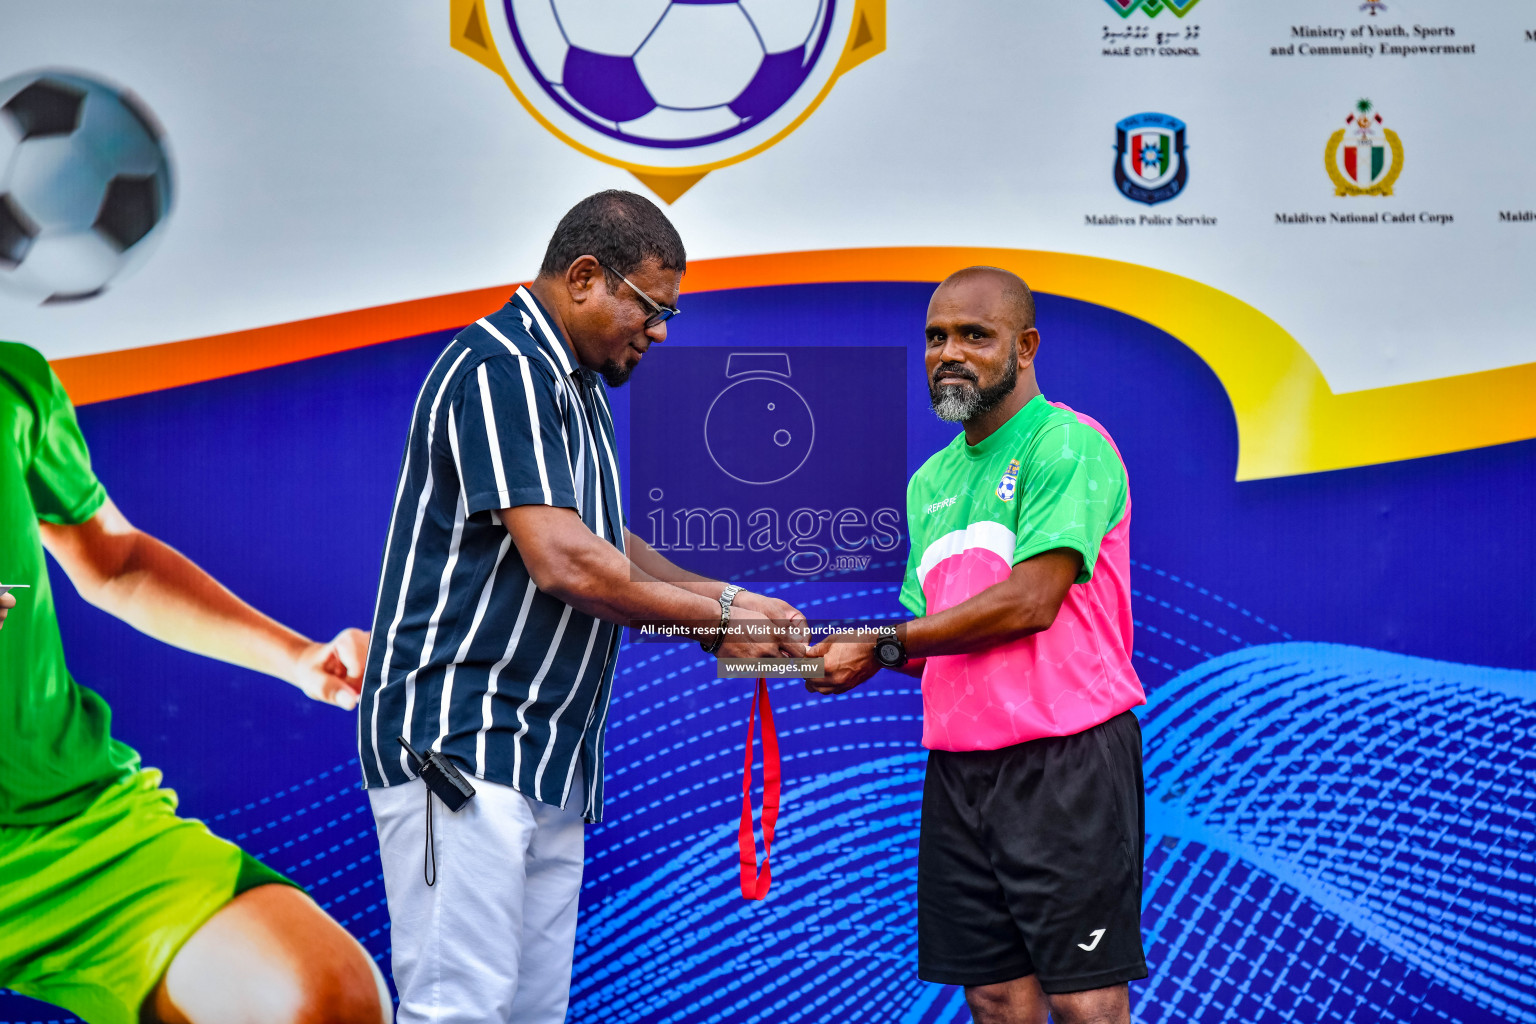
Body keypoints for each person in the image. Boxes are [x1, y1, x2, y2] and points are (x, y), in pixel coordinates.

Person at [359, 190, 806, 1023]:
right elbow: (565, 562)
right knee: (460, 1012)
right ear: (585, 277)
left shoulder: (574, 383)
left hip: (544, 756)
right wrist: (714, 624)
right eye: (652, 305)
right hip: (463, 746)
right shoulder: (503, 367)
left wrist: (731, 600)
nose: (662, 330)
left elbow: (602, 540)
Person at [0, 341, 389, 1024]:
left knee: (328, 1002)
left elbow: (114, 561)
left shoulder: (11, 381)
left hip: (69, 829)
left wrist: (296, 658)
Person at [807, 267, 1148, 1024]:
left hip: (1068, 764)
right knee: (994, 999)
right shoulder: (929, 482)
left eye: (974, 335)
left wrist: (880, 640)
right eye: (935, 338)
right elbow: (927, 641)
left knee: (1087, 1002)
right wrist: (841, 652)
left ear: (1025, 347)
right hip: (961, 774)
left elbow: (1031, 602)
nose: (949, 353)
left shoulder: (1068, 444)